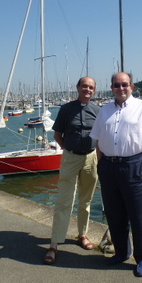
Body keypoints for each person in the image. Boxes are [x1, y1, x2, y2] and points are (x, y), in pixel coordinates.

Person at [90, 72, 142, 277]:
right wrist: (100, 164)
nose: (120, 88)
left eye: (124, 85)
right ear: (112, 87)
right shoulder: (104, 110)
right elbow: (98, 140)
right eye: (116, 85)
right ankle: (122, 252)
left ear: (132, 86)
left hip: (134, 165)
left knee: (139, 217)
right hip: (109, 166)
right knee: (115, 215)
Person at [43, 77, 100, 265]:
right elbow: (58, 134)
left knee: (86, 200)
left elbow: (101, 136)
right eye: (85, 86)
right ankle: (54, 243)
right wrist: (68, 149)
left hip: (91, 158)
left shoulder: (97, 111)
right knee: (64, 201)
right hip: (70, 157)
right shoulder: (66, 109)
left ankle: (82, 235)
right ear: (78, 87)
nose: (87, 89)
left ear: (94, 90)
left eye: (91, 87)